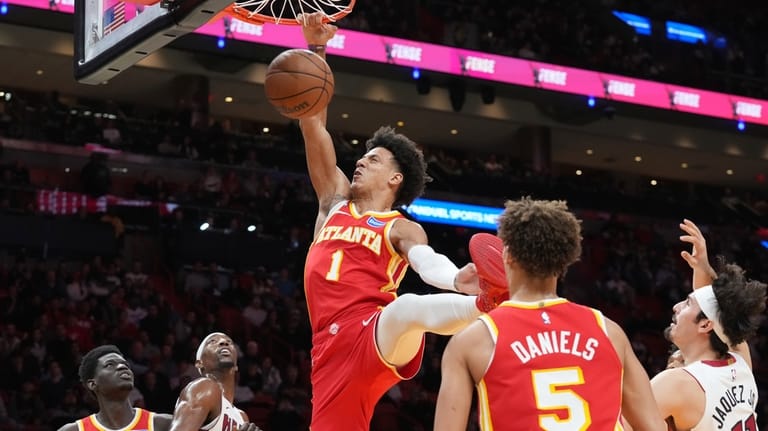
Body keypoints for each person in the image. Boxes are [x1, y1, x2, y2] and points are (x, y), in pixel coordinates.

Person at [296, 12, 507, 431]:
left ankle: (484, 303)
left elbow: (426, 261)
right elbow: (312, 123)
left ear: (395, 178)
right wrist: (315, 48)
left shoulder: (400, 226)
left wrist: (456, 279)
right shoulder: (333, 202)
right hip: (329, 347)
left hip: (373, 330)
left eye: (372, 159)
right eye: (361, 156)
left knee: (407, 308)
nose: (359, 161)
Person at [433, 198, 667, 431]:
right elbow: (654, 427)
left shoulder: (473, 340)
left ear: (507, 255)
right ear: (564, 259)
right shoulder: (609, 331)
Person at [651, 219, 766, 431]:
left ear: (705, 325)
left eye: (687, 303)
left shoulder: (675, 383)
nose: (676, 307)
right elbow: (719, 314)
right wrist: (704, 268)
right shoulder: (741, 364)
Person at [57, 345, 172, 431]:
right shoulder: (74, 430)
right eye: (109, 365)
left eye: (126, 364)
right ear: (92, 384)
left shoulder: (163, 424)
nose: (122, 366)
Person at [169, 332, 262, 431]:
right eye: (212, 342)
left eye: (229, 342)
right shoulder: (203, 388)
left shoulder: (242, 417)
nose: (223, 342)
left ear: (236, 365)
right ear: (199, 363)